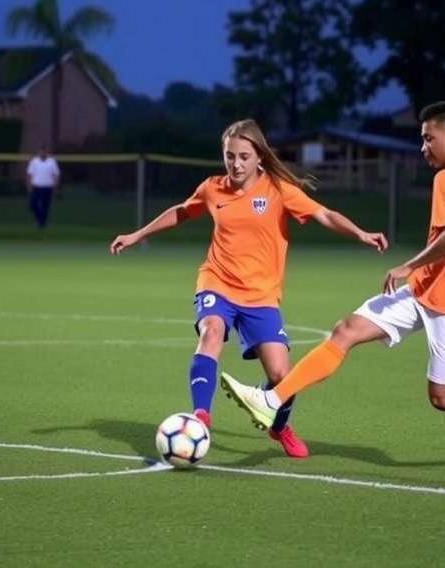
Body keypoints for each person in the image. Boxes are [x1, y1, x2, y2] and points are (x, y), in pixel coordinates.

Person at [221, 101, 445, 451]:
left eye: (428, 139)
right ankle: (272, 401)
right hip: (421, 292)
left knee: (444, 396)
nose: (423, 147)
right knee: (345, 330)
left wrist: (408, 265)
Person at [109, 119, 388, 458]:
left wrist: (360, 233)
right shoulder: (213, 188)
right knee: (211, 331)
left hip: (261, 296)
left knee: (281, 374)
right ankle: (200, 417)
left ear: (259, 157)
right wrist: (138, 234)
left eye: (243, 156)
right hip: (217, 281)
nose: (236, 164)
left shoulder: (278, 190)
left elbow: (324, 215)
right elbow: (182, 212)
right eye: (229, 156)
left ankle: (279, 427)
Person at [26, 146, 61, 229]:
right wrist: (28, 185)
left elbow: (56, 175)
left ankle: (42, 224)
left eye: (44, 152)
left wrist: (56, 186)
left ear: (46, 152)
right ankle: (39, 220)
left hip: (48, 187)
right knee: (32, 205)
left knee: (45, 207)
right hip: (36, 186)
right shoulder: (34, 161)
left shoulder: (52, 162)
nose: (42, 153)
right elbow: (29, 174)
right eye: (40, 152)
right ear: (38, 152)